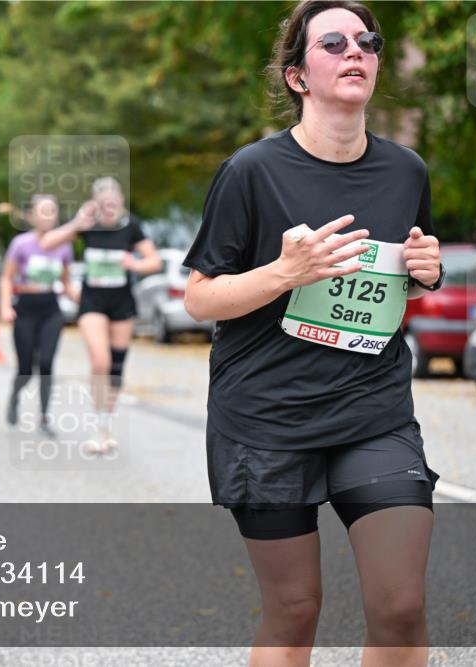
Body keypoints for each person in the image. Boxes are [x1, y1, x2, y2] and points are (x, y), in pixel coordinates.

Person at [182, 3, 444, 665]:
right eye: (334, 42)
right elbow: (198, 297)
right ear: (298, 75)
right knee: (294, 611)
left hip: (371, 410)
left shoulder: (406, 171)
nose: (355, 50)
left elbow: (393, 280)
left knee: (400, 605)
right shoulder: (252, 172)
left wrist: (423, 272)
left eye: (368, 40)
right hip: (266, 417)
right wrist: (282, 271)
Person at [39, 177, 162, 453]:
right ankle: (97, 426)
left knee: (116, 367)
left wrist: (134, 264)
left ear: (120, 201)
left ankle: (105, 423)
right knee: (100, 362)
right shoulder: (88, 224)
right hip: (92, 301)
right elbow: (46, 242)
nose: (108, 208)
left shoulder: (131, 226)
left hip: (121, 304)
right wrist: (76, 224)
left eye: (113, 203)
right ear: (96, 204)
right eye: (103, 204)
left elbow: (155, 261)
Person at [0, 194, 81, 437]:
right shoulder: (21, 244)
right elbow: (6, 278)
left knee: (46, 363)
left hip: (50, 309)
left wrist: (87, 303)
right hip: (25, 308)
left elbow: (66, 283)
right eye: (42, 211)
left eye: (51, 211)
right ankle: (15, 396)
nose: (47, 216)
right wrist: (5, 306)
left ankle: (44, 417)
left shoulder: (64, 245)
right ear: (32, 216)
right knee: (25, 369)